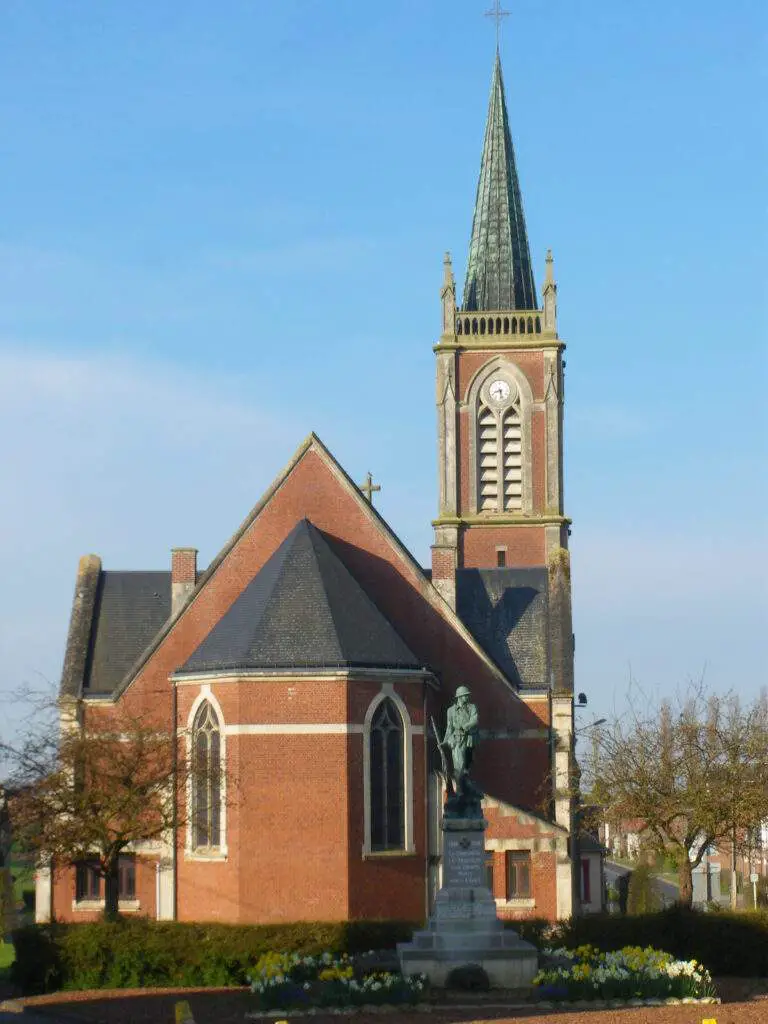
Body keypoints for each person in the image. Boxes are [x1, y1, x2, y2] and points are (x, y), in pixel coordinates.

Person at [442, 685, 479, 780]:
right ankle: (458, 789)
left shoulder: (472, 707)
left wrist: (464, 727)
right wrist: (445, 740)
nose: (467, 697)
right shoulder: (450, 711)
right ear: (459, 697)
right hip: (458, 739)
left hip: (470, 739)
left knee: (467, 765)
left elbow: (474, 720)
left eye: (467, 695)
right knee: (459, 765)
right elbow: (449, 727)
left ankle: (463, 785)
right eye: (465, 695)